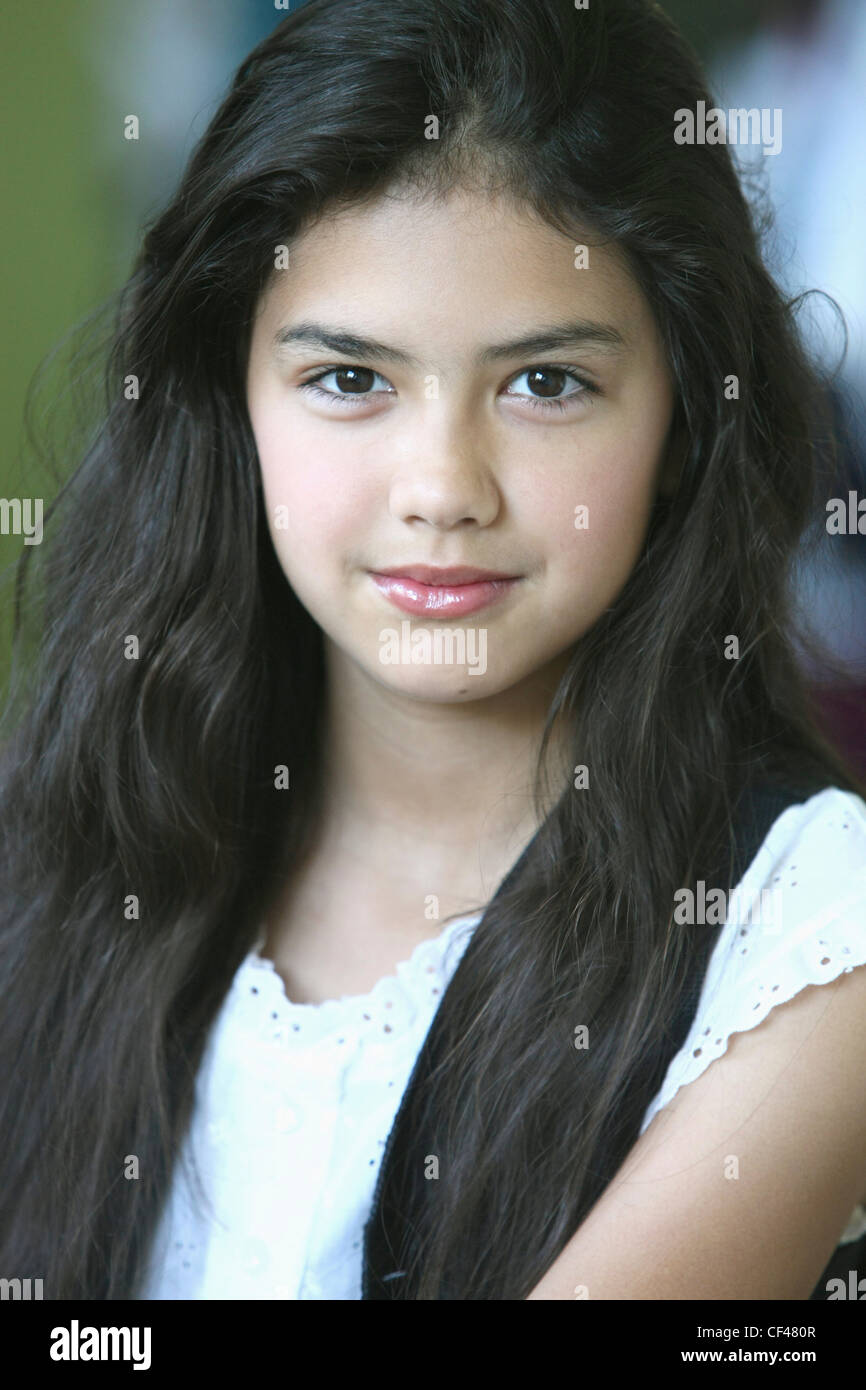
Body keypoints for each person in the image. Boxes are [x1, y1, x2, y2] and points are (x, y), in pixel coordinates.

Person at [1, 0, 864, 1302]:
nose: (443, 487)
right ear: (228, 401)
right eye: (349, 379)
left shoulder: (803, 933)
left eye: (544, 383)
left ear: (684, 417)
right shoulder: (62, 839)